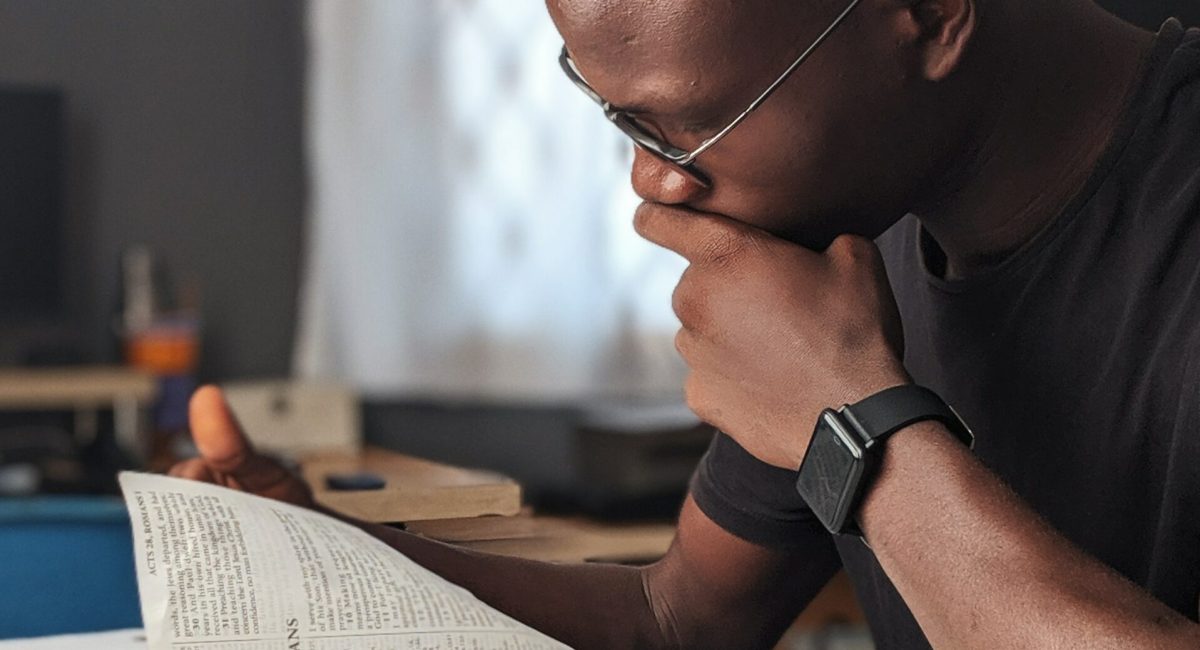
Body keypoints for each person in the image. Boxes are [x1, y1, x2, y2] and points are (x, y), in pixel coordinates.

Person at [170, 0, 1200, 647]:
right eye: (621, 119)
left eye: (693, 124)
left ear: (930, 13)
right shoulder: (854, 225)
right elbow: (676, 616)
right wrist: (315, 548)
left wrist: (851, 417)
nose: (651, 181)